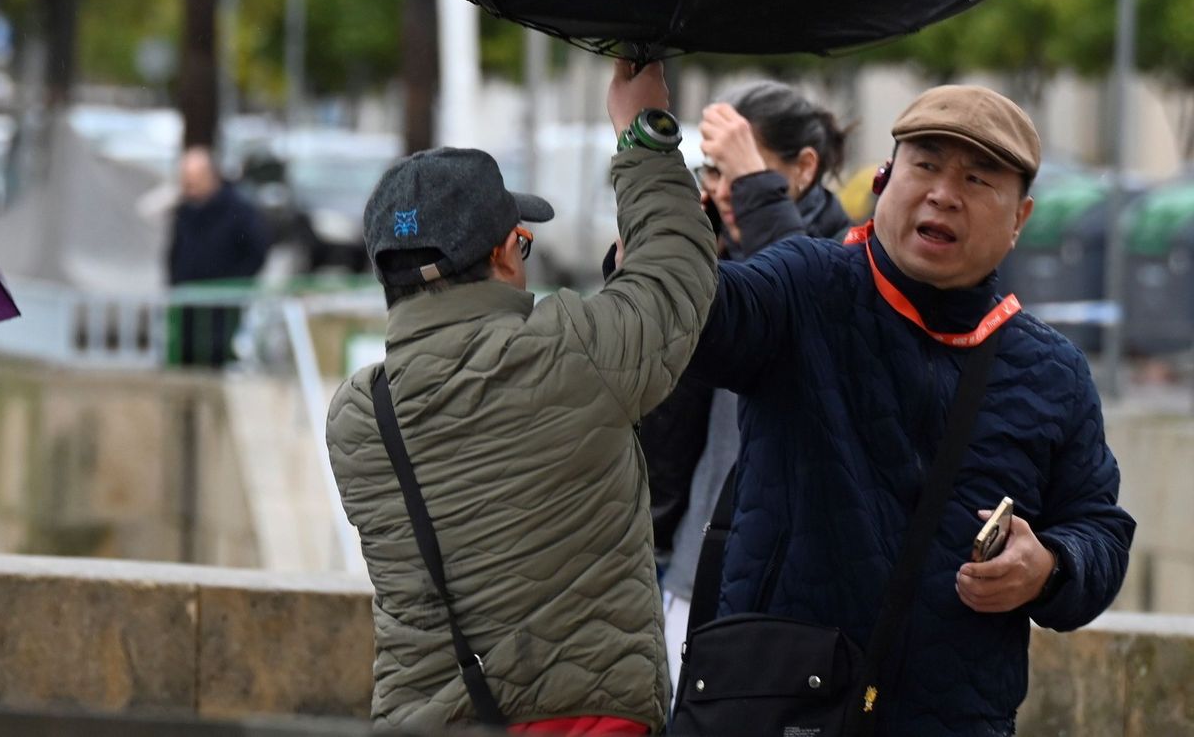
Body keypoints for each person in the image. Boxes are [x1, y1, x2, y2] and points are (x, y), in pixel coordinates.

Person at [681, 85, 1135, 736]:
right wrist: (650, 172)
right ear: (885, 179)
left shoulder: (1052, 371)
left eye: (977, 178)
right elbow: (692, 317)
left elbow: (1100, 527)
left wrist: (1052, 565)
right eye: (925, 166)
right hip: (781, 706)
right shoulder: (806, 287)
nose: (945, 193)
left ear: (1020, 219)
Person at [326, 60, 717, 733]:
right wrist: (642, 133)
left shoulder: (358, 416)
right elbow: (677, 273)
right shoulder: (571, 350)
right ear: (507, 253)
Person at [629, 81, 852, 690]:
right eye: (714, 172)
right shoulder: (720, 253)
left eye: (741, 172)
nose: (723, 191)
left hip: (782, 585)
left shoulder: (848, 260)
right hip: (685, 553)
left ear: (804, 169)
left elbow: (808, 325)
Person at [165, 146, 270, 365]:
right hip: (187, 308)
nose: (189, 187)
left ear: (210, 177)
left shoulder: (237, 211)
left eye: (194, 180)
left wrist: (235, 283)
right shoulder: (186, 210)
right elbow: (175, 251)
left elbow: (256, 250)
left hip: (221, 311)